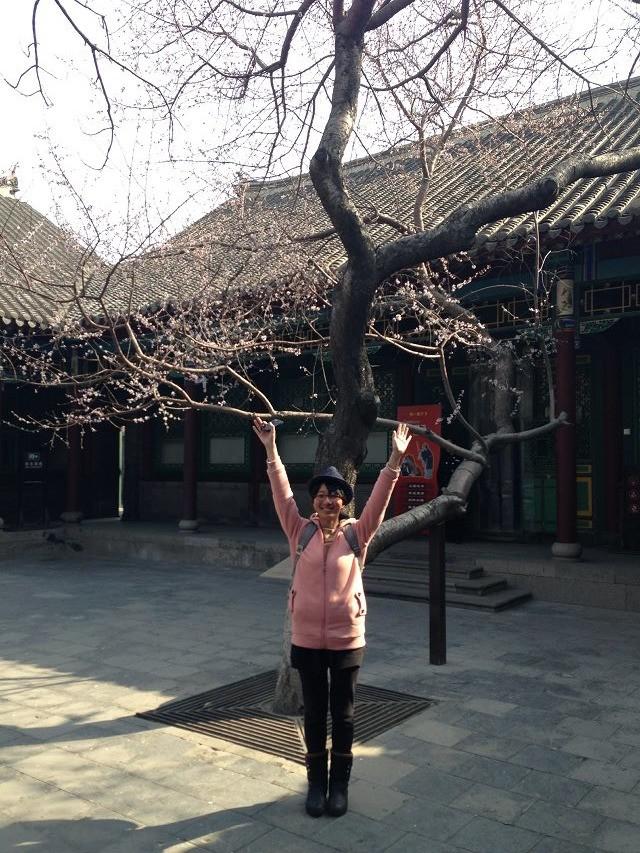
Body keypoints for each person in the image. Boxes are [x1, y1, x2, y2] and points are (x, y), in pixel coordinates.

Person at [252, 416, 411, 818]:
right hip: (306, 640)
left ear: (343, 502)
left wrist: (394, 459)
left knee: (343, 715)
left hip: (346, 641)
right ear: (314, 501)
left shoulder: (357, 534)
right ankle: (315, 786)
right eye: (321, 495)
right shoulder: (299, 532)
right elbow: (282, 493)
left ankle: (339, 786)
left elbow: (379, 501)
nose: (326, 501)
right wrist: (271, 449)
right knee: (314, 713)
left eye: (334, 495)